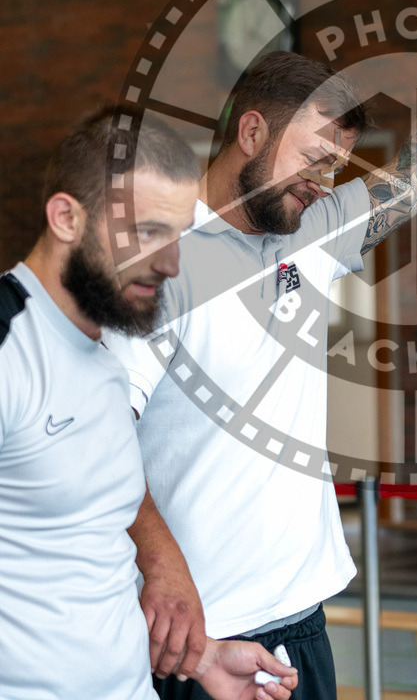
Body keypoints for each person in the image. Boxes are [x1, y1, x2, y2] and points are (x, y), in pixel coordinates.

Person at [112, 0, 417, 700]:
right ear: (249, 133)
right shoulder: (157, 262)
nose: (321, 183)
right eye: (309, 158)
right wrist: (162, 569)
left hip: (301, 624)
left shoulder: (310, 230)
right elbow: (97, 437)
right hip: (195, 633)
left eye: (333, 168)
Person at [0, 105, 297, 700]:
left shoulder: (104, 361)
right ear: (66, 219)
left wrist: (201, 659)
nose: (171, 263)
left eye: (179, 234)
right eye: (148, 234)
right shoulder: (10, 348)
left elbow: (88, 563)